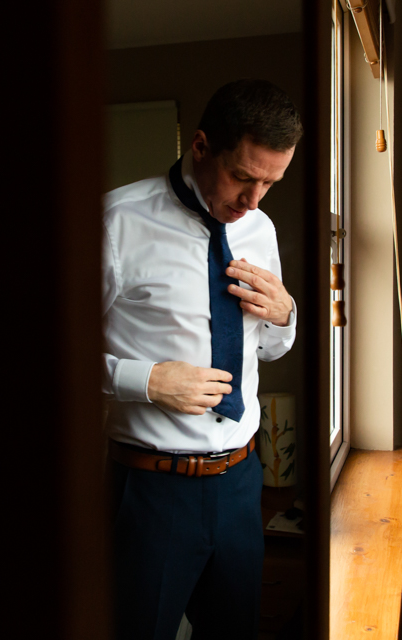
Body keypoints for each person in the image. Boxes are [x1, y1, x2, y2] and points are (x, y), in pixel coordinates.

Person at [101, 79, 301, 640]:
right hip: (150, 490)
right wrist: (146, 381)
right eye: (242, 177)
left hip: (240, 483)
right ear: (201, 146)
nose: (253, 201)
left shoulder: (259, 228)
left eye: (270, 183)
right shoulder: (116, 222)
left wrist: (285, 314)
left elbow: (266, 347)